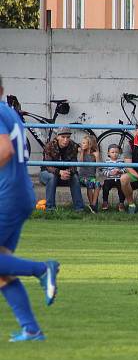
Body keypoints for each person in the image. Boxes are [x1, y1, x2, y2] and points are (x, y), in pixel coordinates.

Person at [0, 76, 59, 342]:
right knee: (2, 270)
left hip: (8, 194)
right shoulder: (10, 113)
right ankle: (31, 329)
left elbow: (5, 151)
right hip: (20, 190)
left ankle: (42, 269)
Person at [39, 127, 85, 211]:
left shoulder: (73, 145)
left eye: (68, 137)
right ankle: (50, 209)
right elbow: (48, 166)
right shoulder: (49, 145)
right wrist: (59, 172)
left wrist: (68, 172)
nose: (66, 140)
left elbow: (74, 165)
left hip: (65, 175)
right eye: (63, 137)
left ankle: (79, 209)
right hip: (48, 173)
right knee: (52, 177)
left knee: (74, 177)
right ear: (57, 137)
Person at [77, 134, 101, 213]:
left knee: (97, 184)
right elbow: (80, 162)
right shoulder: (81, 151)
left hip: (92, 177)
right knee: (90, 184)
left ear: (89, 144)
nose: (82, 144)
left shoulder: (95, 154)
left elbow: (98, 167)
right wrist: (82, 152)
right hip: (83, 177)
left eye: (84, 143)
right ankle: (92, 205)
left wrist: (97, 157)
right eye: (82, 143)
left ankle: (93, 205)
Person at [100, 143, 126, 211]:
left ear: (119, 153)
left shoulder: (121, 161)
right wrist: (110, 172)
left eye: (116, 152)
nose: (115, 154)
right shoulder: (106, 162)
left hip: (119, 179)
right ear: (108, 153)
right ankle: (105, 202)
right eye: (112, 152)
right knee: (105, 187)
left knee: (122, 188)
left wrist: (120, 171)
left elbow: (125, 169)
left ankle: (121, 203)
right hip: (109, 179)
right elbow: (103, 171)